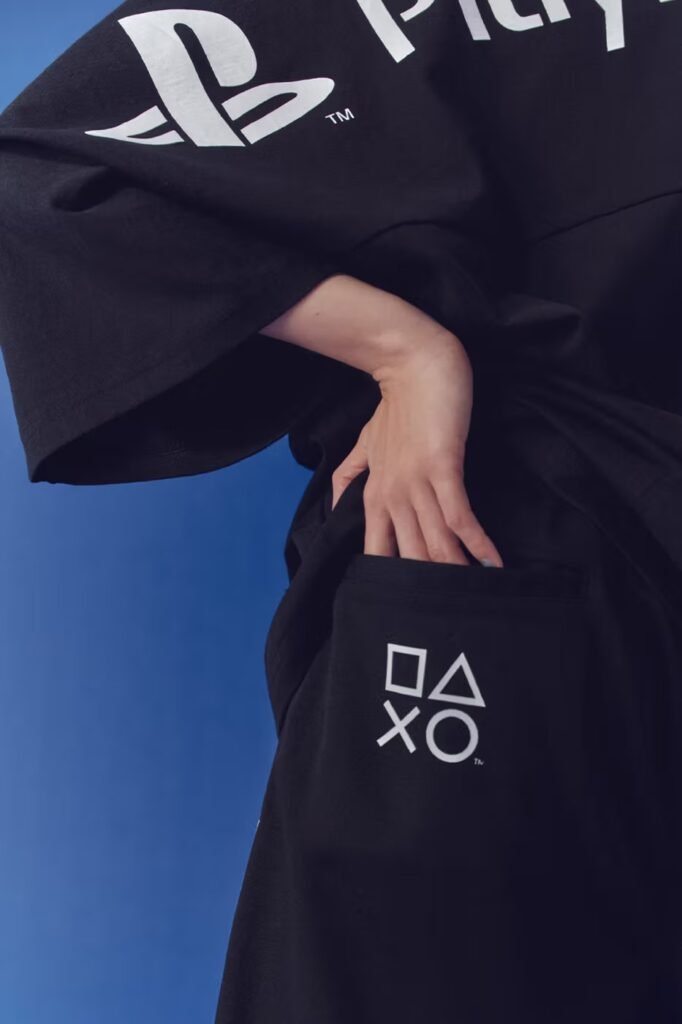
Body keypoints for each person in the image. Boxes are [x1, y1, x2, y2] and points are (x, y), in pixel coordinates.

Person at [1, 2, 682, 1020]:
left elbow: (47, 176)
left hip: (484, 556)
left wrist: (404, 354)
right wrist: (408, 351)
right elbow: (47, 174)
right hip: (486, 537)